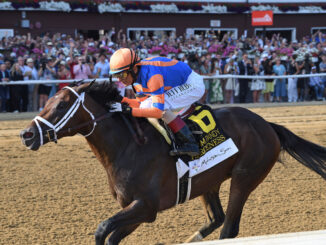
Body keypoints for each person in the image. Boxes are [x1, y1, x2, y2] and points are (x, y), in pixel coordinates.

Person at [109, 48, 205, 157]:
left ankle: (190, 143)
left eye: (122, 75)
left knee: (159, 107)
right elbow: (141, 105)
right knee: (145, 105)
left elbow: (157, 111)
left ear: (134, 69)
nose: (120, 80)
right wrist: (122, 101)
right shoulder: (136, 79)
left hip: (192, 84)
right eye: (117, 76)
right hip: (181, 82)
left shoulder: (152, 75)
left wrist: (128, 110)